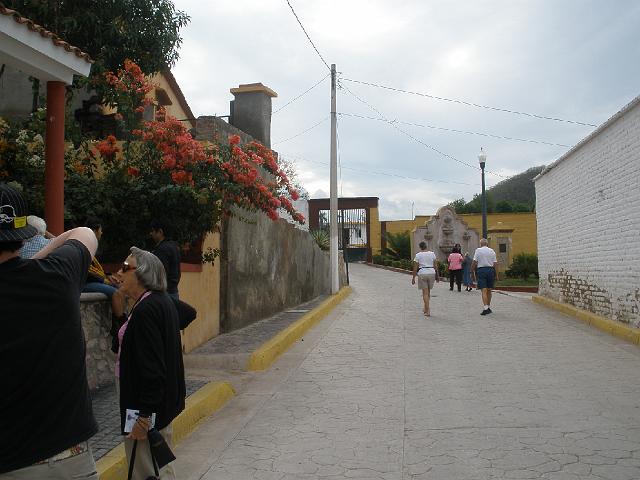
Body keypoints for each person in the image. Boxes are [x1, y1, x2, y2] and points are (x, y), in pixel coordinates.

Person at [0, 183, 100, 479]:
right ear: (22, 236)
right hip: (73, 464)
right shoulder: (58, 276)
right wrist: (37, 260)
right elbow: (84, 234)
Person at [115, 247, 185, 480]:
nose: (119, 272)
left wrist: (143, 418)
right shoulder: (160, 302)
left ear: (143, 273)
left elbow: (153, 371)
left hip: (145, 408)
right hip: (157, 405)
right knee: (158, 467)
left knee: (147, 472)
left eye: (126, 267)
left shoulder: (147, 309)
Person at [82, 218, 125, 350]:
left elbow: (95, 270)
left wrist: (107, 277)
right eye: (100, 230)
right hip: (83, 283)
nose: (101, 233)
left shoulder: (89, 245)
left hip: (91, 280)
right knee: (115, 292)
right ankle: (121, 324)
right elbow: (87, 271)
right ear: (94, 231)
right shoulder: (84, 245)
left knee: (119, 288)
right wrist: (105, 279)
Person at [150, 220, 181, 300]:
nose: (151, 234)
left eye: (153, 231)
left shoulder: (162, 249)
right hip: (174, 291)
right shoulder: (174, 246)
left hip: (164, 294)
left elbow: (160, 274)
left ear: (160, 232)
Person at [472, 238, 499, 315]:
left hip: (481, 270)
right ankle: (488, 306)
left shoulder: (478, 250)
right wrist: (497, 275)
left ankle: (486, 307)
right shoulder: (492, 251)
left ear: (480, 244)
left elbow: (474, 261)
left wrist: (471, 270)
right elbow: (495, 263)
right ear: (487, 244)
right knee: (489, 289)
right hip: (490, 270)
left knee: (484, 290)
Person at [411, 241, 439, 316]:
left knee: (425, 293)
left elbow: (415, 267)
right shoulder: (432, 254)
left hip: (422, 273)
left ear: (420, 247)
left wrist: (413, 277)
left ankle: (428, 310)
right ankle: (425, 308)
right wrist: (438, 276)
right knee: (428, 292)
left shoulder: (418, 255)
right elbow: (436, 266)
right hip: (431, 272)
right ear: (426, 246)